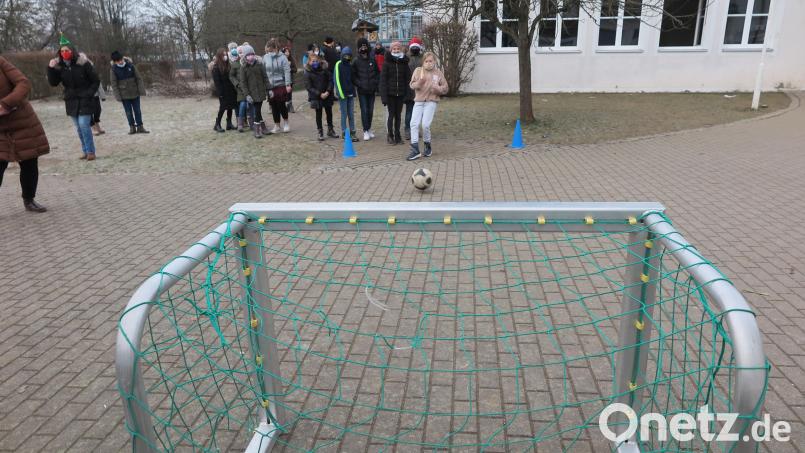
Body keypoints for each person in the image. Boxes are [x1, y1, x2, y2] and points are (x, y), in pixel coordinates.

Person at [0, 56, 49, 212]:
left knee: (29, 161)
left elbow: (23, 83)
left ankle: (29, 199)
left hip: (20, 120)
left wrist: (6, 103)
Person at [47, 34, 100, 160]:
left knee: (83, 124)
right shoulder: (60, 66)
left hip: (85, 98)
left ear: (72, 51)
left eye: (67, 50)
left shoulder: (83, 63)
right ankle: (85, 151)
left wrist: (89, 93)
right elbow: (53, 83)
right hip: (71, 100)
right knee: (79, 127)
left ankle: (91, 151)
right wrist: (50, 68)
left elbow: (95, 80)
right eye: (63, 51)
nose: (65, 53)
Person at [407, 52, 448, 161]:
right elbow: (411, 85)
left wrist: (438, 89)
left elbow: (445, 87)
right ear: (423, 62)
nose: (429, 63)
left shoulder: (438, 73)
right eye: (426, 61)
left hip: (431, 101)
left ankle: (427, 145)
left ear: (434, 62)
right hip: (419, 101)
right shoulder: (418, 71)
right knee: (413, 123)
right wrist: (418, 84)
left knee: (425, 124)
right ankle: (415, 149)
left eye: (431, 61)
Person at [109, 51, 149, 135]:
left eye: (120, 59)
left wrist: (141, 91)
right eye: (117, 61)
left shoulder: (131, 65)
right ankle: (132, 127)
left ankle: (140, 127)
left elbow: (139, 78)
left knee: (137, 111)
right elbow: (114, 84)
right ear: (114, 61)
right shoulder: (113, 70)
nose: (120, 62)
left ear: (122, 58)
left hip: (135, 93)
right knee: (128, 112)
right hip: (124, 96)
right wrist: (118, 96)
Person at [378, 41, 410, 145]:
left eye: (398, 49)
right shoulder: (386, 63)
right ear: (391, 50)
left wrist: (407, 94)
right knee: (391, 115)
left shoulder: (404, 63)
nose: (396, 50)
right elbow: (382, 81)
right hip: (390, 94)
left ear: (401, 50)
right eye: (394, 49)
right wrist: (384, 97)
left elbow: (407, 80)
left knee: (398, 116)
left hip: (400, 94)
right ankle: (390, 135)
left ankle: (398, 135)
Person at [303, 53, 338, 141]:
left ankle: (330, 129)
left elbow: (330, 80)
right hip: (316, 96)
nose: (315, 62)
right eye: (313, 61)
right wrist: (319, 94)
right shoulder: (308, 72)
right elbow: (309, 86)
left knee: (329, 113)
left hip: (327, 94)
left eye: (316, 61)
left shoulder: (324, 69)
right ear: (309, 62)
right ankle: (320, 131)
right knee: (318, 114)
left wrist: (328, 91)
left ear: (319, 61)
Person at [352, 38, 379, 141]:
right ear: (359, 48)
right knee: (364, 110)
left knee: (371, 110)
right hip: (362, 91)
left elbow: (377, 72)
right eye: (361, 47)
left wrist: (375, 82)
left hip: (371, 90)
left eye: (365, 46)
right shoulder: (356, 61)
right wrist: (360, 84)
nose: (363, 48)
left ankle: (369, 128)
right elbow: (353, 76)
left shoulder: (372, 60)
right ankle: (365, 130)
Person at [263, 39, 292, 133]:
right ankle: (277, 125)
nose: (269, 52)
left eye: (271, 50)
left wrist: (288, 84)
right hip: (270, 85)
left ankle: (286, 122)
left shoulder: (283, 57)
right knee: (273, 105)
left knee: (281, 104)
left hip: (281, 84)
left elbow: (287, 71)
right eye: (268, 50)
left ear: (275, 48)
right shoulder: (265, 57)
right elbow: (263, 71)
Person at [239, 44, 268, 138]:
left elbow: (265, 78)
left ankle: (261, 128)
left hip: (260, 92)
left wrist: (269, 88)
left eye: (252, 54)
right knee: (257, 110)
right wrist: (247, 95)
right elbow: (243, 83)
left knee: (258, 110)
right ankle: (258, 130)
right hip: (251, 94)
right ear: (245, 56)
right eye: (248, 55)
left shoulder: (260, 65)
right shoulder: (243, 68)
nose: (250, 56)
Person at [333, 47, 358, 142]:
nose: (347, 57)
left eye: (349, 56)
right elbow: (336, 80)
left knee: (351, 114)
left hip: (350, 93)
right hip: (342, 95)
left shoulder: (350, 66)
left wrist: (354, 92)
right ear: (342, 55)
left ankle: (353, 132)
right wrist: (340, 94)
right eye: (345, 56)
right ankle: (344, 132)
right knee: (344, 114)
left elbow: (352, 80)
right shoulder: (338, 64)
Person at [211, 48, 237, 132]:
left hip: (230, 89)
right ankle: (217, 124)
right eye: (223, 55)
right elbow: (217, 82)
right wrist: (220, 93)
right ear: (219, 56)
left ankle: (229, 123)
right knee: (222, 107)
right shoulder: (216, 67)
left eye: (226, 54)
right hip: (223, 91)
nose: (225, 56)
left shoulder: (228, 65)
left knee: (231, 107)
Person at [404, 36, 424, 141]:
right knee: (409, 111)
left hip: (420, 89)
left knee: (419, 111)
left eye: (417, 47)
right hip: (409, 89)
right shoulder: (406, 58)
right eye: (413, 47)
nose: (415, 49)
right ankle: (407, 129)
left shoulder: (423, 58)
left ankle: (416, 129)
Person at [230, 45, 252, 133]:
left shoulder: (250, 62)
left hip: (250, 87)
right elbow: (231, 76)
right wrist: (237, 84)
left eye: (242, 52)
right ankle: (240, 124)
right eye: (239, 53)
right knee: (243, 104)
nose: (241, 54)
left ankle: (252, 123)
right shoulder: (235, 64)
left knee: (251, 105)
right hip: (240, 88)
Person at [281, 46, 297, 113]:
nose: (287, 53)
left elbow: (295, 69)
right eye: (286, 51)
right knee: (284, 93)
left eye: (288, 51)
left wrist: (290, 68)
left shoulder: (291, 59)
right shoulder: (281, 60)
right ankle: (285, 106)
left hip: (291, 79)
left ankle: (290, 106)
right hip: (283, 80)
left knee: (289, 93)